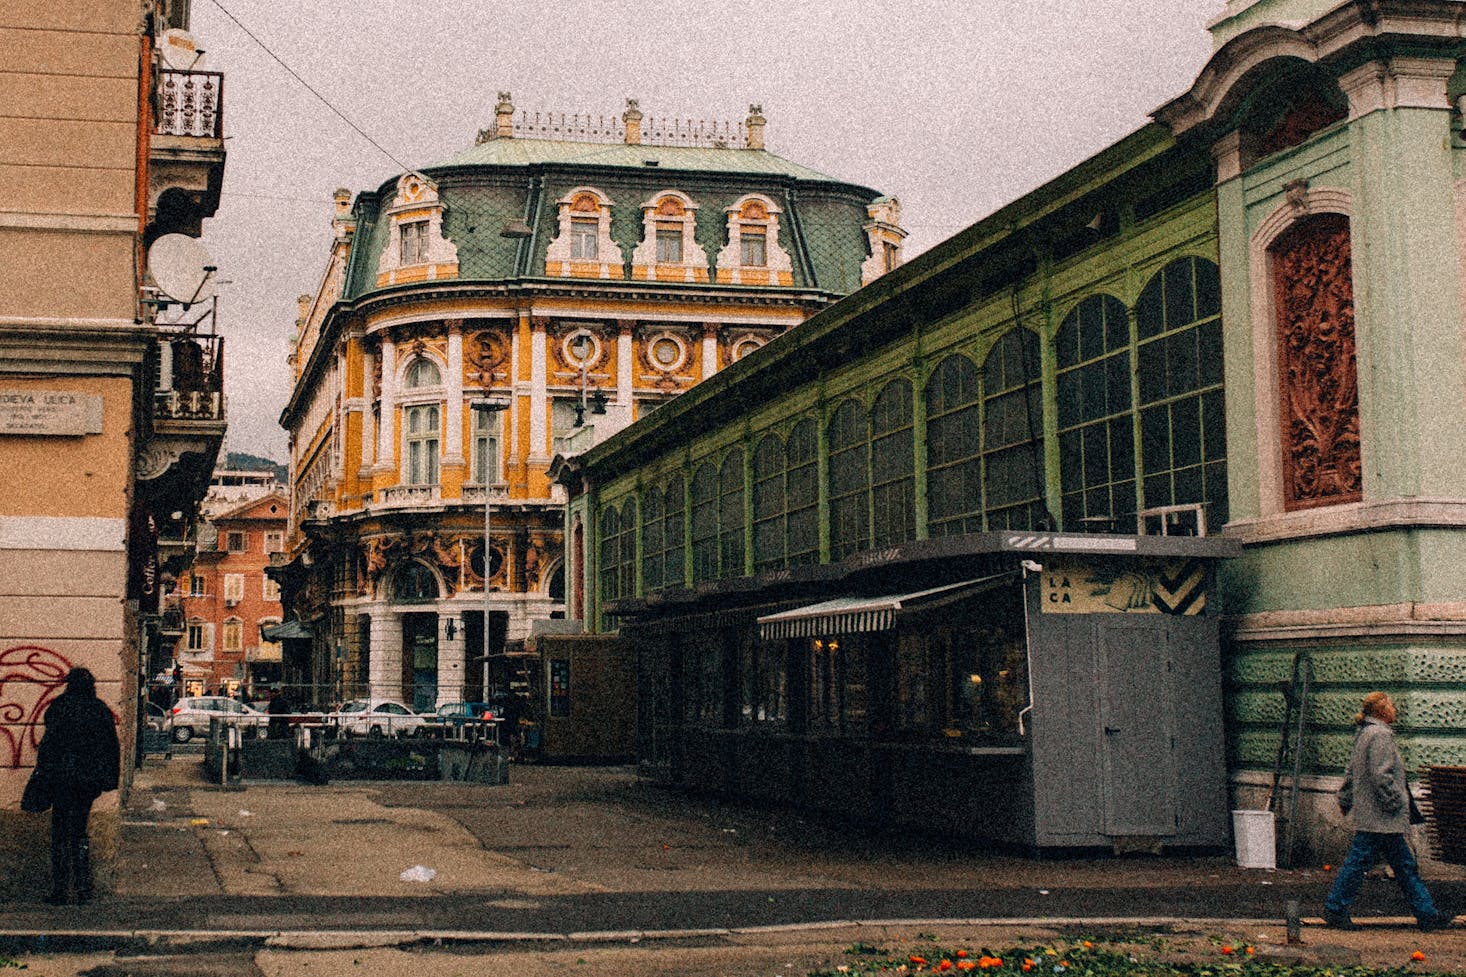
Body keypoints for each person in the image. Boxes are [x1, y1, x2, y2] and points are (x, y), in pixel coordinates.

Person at [1324, 691, 1453, 931]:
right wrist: (1395, 803)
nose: (1395, 710)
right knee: (1373, 863)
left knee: (1399, 865)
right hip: (1383, 815)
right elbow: (1381, 776)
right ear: (1382, 711)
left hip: (1373, 814)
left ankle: (1427, 913)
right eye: (1391, 706)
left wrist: (1345, 798)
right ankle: (1336, 908)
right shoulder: (1381, 735)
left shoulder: (1364, 733)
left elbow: (1352, 771)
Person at [32, 667, 120, 905]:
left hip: (61, 780)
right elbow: (111, 747)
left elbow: (48, 745)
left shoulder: (59, 707)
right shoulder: (99, 709)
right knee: (79, 831)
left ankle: (60, 889)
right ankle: (83, 888)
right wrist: (109, 780)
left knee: (60, 833)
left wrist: (44, 775)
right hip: (87, 782)